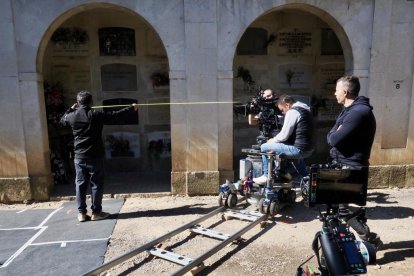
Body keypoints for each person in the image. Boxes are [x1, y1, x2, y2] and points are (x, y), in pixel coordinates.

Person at [60, 91, 139, 222]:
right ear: (91, 102)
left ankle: (81, 213)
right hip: (95, 156)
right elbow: (115, 115)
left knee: (80, 184)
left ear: (78, 102)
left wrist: (70, 109)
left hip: (79, 156)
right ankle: (96, 212)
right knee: (96, 184)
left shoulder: (72, 116)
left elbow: (62, 120)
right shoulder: (96, 114)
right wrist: (131, 108)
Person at [327, 75, 382, 249]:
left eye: (336, 90)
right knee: (333, 205)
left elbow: (333, 139)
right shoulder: (349, 110)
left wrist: (336, 132)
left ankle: (368, 238)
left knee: (342, 209)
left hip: (351, 166)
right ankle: (342, 241)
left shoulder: (358, 112)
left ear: (345, 91)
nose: (334, 93)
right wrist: (336, 131)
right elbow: (332, 134)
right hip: (342, 163)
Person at [253, 95, 313, 184]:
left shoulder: (293, 111)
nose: (283, 113)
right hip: (308, 149)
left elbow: (284, 135)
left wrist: (272, 140)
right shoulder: (305, 110)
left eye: (282, 110)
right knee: (295, 157)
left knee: (264, 147)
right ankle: (307, 180)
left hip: (299, 150)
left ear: (287, 105)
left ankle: (266, 176)